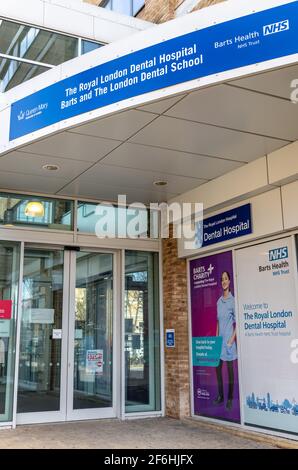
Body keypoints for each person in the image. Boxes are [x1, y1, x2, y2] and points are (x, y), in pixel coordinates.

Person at [213, 271, 237, 410]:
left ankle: (230, 398)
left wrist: (231, 340)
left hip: (229, 342)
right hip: (220, 342)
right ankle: (221, 396)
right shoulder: (218, 302)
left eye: (226, 279)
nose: (224, 281)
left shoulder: (232, 301)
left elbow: (238, 322)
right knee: (218, 369)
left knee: (230, 371)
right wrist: (216, 339)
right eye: (222, 279)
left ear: (229, 281)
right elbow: (217, 322)